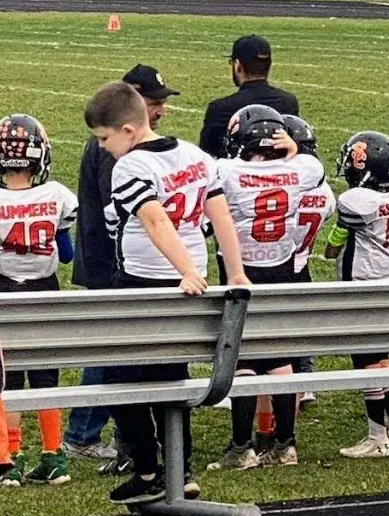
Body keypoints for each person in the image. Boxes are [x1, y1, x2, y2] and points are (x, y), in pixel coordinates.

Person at [84, 81, 250, 504]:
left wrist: (188, 271)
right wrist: (235, 273)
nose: (103, 148)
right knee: (169, 380)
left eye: (104, 138)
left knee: (121, 381)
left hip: (146, 281)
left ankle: (147, 470)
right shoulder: (195, 154)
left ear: (127, 130)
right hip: (186, 287)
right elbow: (220, 216)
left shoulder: (131, 167)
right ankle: (182, 468)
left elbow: (156, 221)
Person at [67, 64, 179, 470]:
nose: (160, 110)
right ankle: (88, 434)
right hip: (112, 265)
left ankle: (124, 442)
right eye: (152, 102)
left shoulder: (128, 148)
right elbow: (124, 215)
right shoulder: (114, 151)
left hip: (115, 262)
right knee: (113, 355)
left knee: (121, 355)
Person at [0, 114, 78, 487]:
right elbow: (67, 254)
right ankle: (53, 454)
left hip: (3, 291)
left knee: (6, 374)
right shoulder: (57, 196)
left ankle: (9, 455)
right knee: (45, 374)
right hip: (45, 289)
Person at [205, 105, 314, 471]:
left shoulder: (225, 170)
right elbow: (312, 166)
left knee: (244, 360)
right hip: (281, 270)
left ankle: (241, 446)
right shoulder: (302, 170)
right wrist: (292, 151)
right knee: (280, 358)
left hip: (241, 272)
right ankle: (285, 444)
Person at [329, 131, 389, 459]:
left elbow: (334, 244)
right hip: (387, 276)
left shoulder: (357, 201)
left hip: (362, 281)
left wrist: (331, 246)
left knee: (367, 359)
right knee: (385, 358)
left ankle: (376, 435)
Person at [282, 114, 331, 407]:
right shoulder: (325, 192)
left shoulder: (283, 187)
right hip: (302, 259)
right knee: (299, 324)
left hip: (275, 260)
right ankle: (306, 377)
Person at [200, 35, 300, 159]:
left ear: (237, 65)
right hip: (279, 172)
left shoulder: (220, 108)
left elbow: (207, 157)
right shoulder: (288, 102)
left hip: (235, 176)